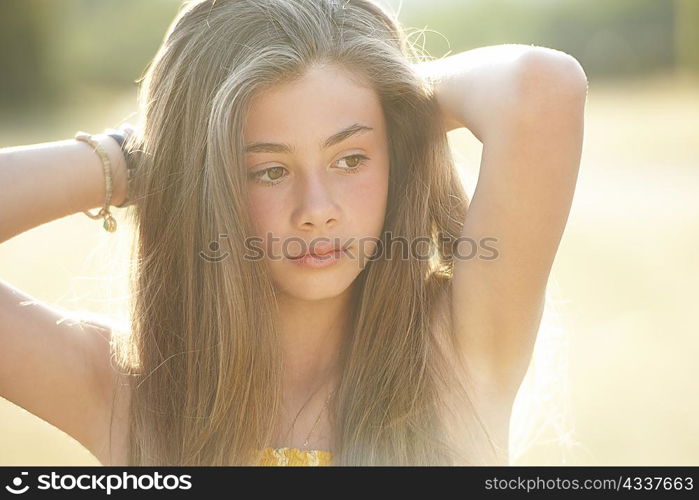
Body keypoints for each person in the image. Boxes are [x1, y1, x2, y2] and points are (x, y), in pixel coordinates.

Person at [0, 0, 587, 466]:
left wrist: (385, 96)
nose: (317, 211)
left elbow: (541, 87)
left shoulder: (453, 354)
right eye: (270, 171)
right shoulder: (125, 390)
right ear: (212, 182)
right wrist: (138, 159)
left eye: (351, 159)